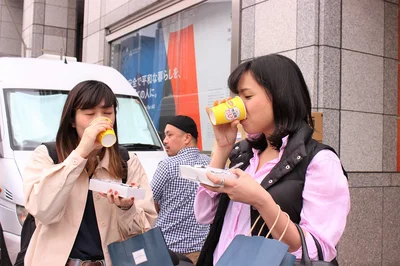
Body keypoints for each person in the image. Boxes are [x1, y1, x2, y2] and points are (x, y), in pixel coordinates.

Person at [194, 54, 350, 266]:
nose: (238, 105)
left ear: (280, 96)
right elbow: (204, 215)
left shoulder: (320, 161)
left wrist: (261, 201)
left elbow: (316, 250)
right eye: (236, 97)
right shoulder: (244, 155)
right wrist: (222, 148)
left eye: (246, 97)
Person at [23, 80, 157, 266]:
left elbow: (145, 227)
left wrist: (126, 208)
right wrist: (80, 155)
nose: (100, 121)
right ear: (72, 120)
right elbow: (42, 210)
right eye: (90, 114)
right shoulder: (48, 156)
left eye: (107, 113)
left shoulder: (127, 162)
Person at [151, 115, 211, 264]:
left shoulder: (167, 166)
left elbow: (148, 202)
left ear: (187, 138)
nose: (165, 140)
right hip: (202, 249)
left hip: (169, 252)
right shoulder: (211, 164)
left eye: (169, 135)